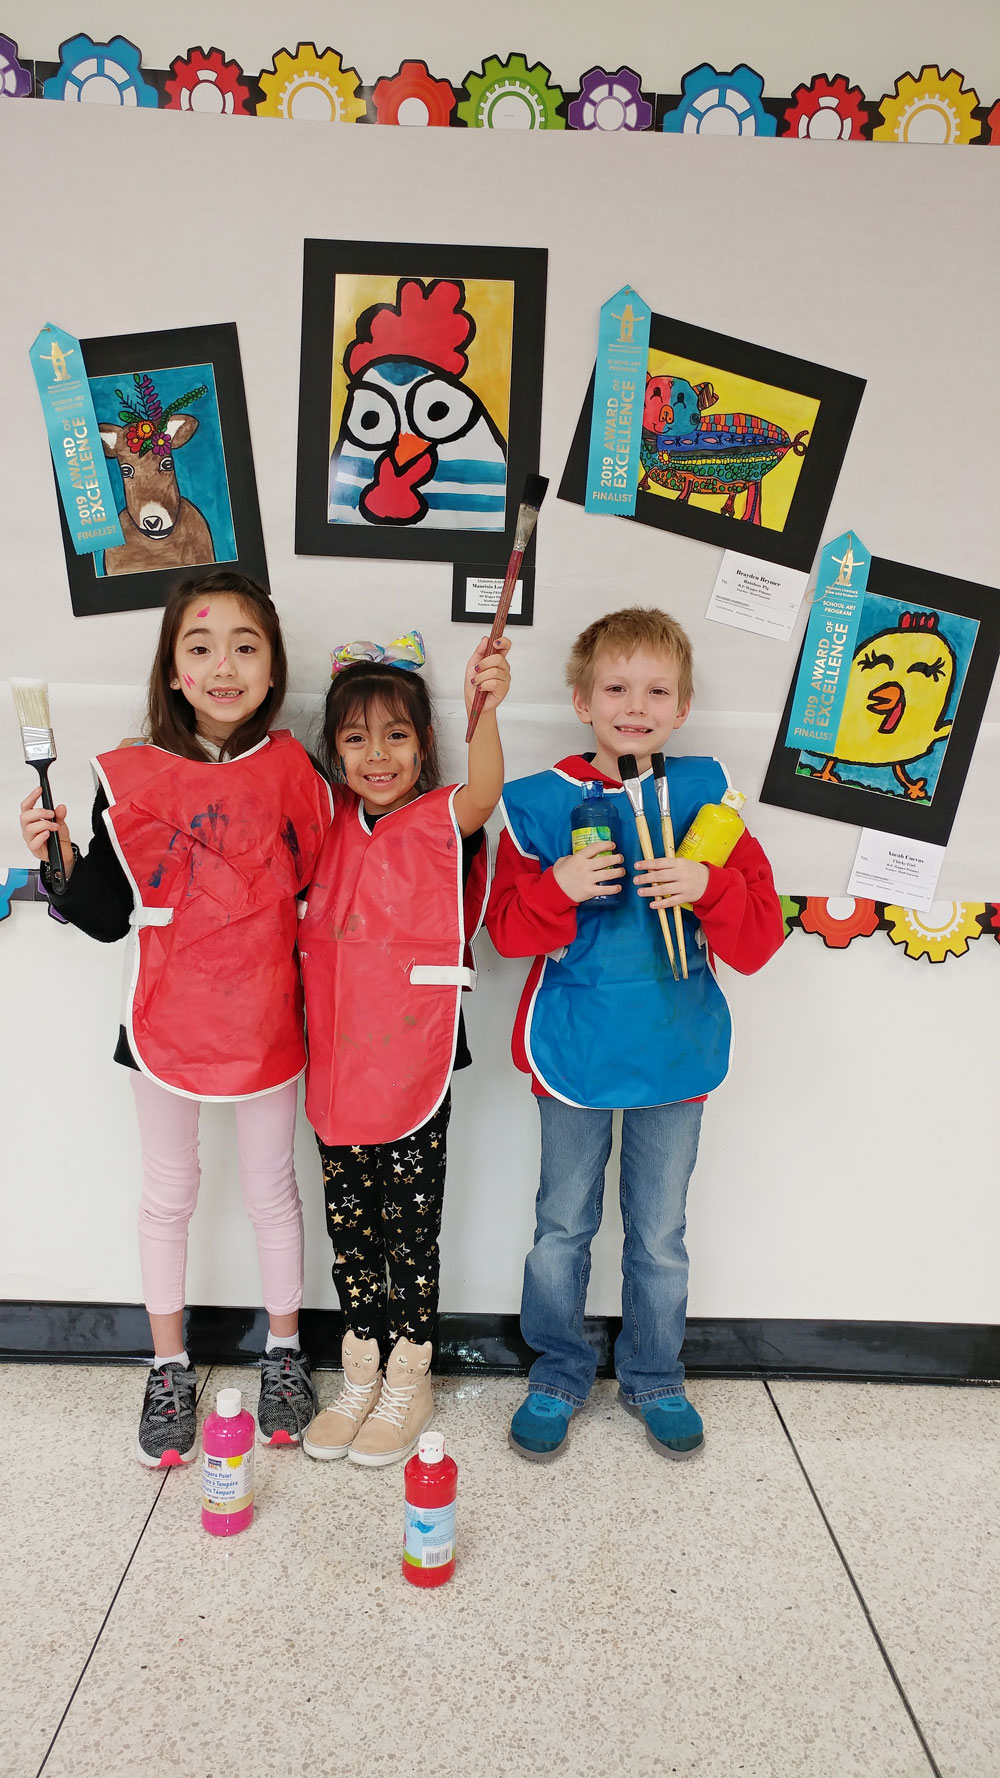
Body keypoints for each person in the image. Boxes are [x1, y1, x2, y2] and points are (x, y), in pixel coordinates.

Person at [19, 572, 332, 1469]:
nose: (223, 665)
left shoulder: (294, 774)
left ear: (273, 668)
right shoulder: (126, 774)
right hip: (161, 1023)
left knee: (272, 1191)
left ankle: (283, 1352)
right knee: (169, 1194)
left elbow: (318, 888)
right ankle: (166, 1365)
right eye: (200, 648)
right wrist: (59, 861)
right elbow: (109, 914)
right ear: (172, 669)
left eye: (245, 645)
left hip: (268, 1017)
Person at [485, 607, 784, 1462]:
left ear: (683, 707)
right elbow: (506, 933)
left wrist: (709, 884)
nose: (635, 704)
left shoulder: (707, 798)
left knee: (659, 1234)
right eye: (616, 687)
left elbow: (759, 943)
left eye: (657, 690)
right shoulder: (541, 805)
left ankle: (655, 1374)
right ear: (582, 700)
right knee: (561, 1227)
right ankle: (557, 1369)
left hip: (674, 1051)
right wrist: (561, 887)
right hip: (574, 1050)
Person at [299, 629, 510, 1468]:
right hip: (340, 1058)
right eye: (356, 738)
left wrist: (484, 704)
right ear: (334, 750)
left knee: (409, 1223)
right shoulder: (325, 821)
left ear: (425, 745)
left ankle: (409, 1375)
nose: (376, 755)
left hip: (417, 1053)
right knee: (349, 1226)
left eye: (396, 735)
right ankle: (360, 1368)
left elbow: (487, 789)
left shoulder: (441, 818)